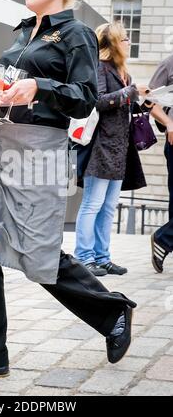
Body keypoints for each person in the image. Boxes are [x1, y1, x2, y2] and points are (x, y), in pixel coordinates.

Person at [0, 0, 137, 383]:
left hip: (41, 151)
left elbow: (85, 98)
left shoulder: (77, 35)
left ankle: (111, 311)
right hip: (0, 144)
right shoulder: (20, 34)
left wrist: (41, 85)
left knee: (39, 254)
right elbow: (6, 90)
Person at [74, 22, 148, 277]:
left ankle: (102, 257)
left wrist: (141, 100)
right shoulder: (100, 67)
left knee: (107, 207)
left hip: (119, 149)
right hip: (101, 147)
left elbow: (122, 105)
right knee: (92, 204)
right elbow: (98, 101)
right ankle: (84, 257)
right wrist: (129, 92)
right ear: (115, 42)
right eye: (125, 38)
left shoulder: (122, 70)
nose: (129, 42)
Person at [148, 54, 173, 272]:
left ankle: (164, 240)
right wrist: (168, 124)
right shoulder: (169, 63)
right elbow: (148, 101)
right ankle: (164, 240)